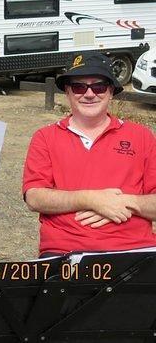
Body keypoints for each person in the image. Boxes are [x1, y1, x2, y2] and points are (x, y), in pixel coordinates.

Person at [23, 52, 156, 257]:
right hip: (66, 251)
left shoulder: (142, 137)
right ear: (67, 92)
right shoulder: (45, 137)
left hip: (136, 250)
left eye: (99, 86)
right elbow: (34, 198)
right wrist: (91, 199)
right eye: (79, 86)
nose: (89, 94)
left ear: (111, 91)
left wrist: (125, 202)